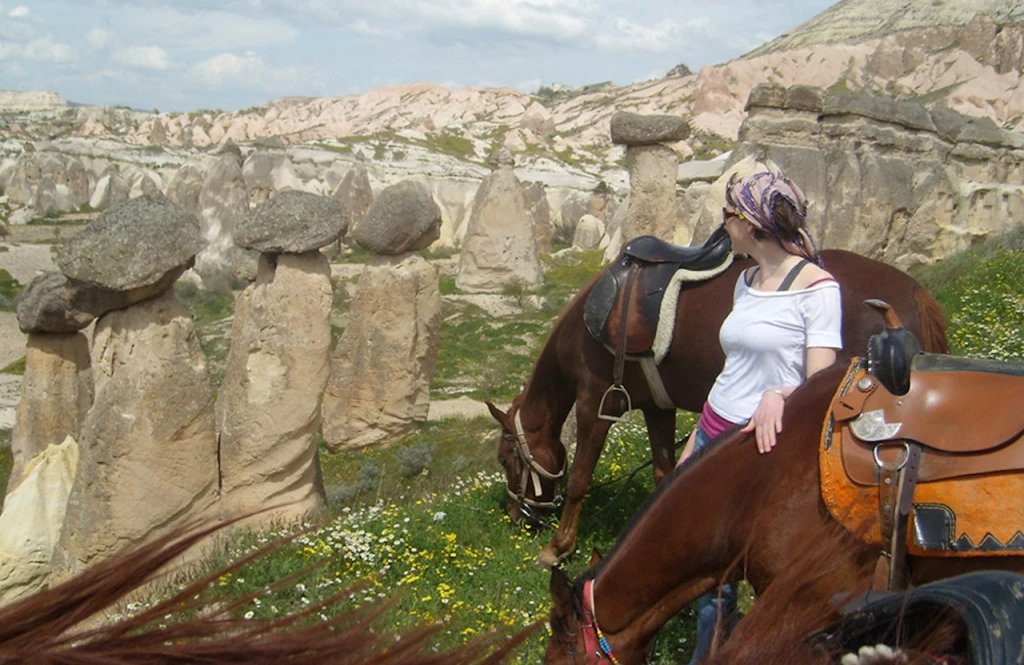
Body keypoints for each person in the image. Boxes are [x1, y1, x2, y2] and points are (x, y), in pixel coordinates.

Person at [677, 168, 843, 664]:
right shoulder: (745, 281)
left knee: (758, 568)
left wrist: (783, 393)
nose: (723, 226)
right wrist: (694, 437)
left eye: (728, 216)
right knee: (711, 576)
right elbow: (736, 370)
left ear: (750, 223)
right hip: (714, 435)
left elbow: (823, 384)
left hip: (760, 445)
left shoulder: (818, 287)